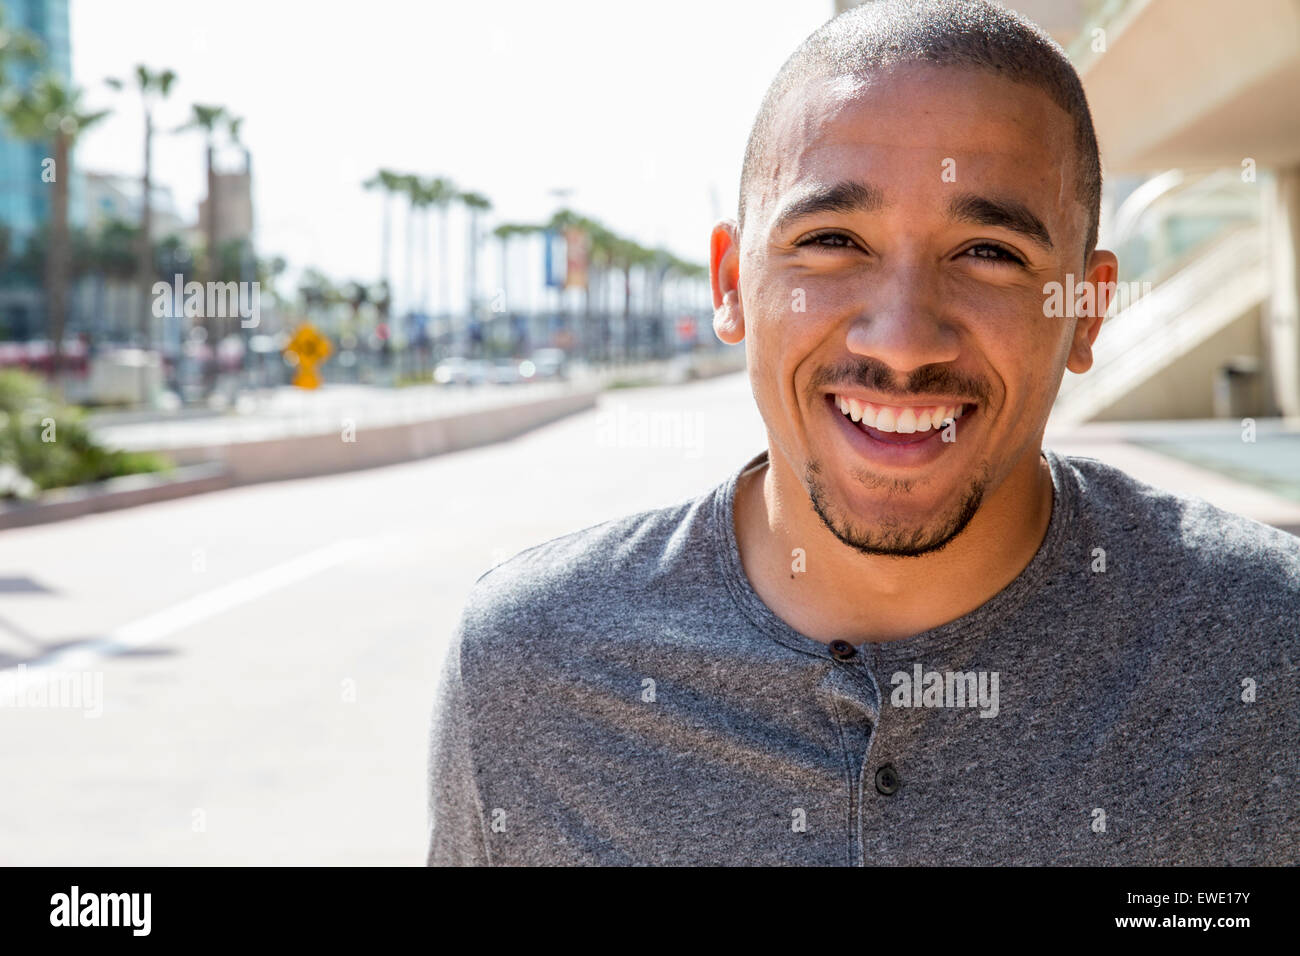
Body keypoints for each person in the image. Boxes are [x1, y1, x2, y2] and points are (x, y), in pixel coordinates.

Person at [426, 0, 1299, 866]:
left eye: (989, 252)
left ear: (1086, 310)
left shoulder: (1268, 648)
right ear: (731, 284)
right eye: (834, 239)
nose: (904, 341)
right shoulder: (527, 667)